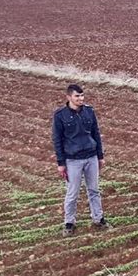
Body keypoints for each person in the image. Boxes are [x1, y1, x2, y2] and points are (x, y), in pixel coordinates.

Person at [52, 84, 109, 236]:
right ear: (69, 97)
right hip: (72, 160)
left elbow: (96, 133)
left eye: (82, 96)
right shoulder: (60, 116)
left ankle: (98, 218)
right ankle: (69, 223)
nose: (80, 99)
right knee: (72, 193)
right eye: (77, 96)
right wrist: (61, 163)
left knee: (94, 190)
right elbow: (57, 140)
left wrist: (100, 156)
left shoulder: (89, 111)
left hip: (91, 157)